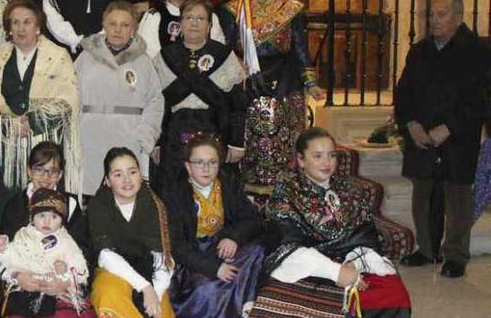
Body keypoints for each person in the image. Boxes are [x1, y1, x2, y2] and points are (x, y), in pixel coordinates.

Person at [260, 128, 411, 318]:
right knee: (279, 298)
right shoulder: (286, 192)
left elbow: (367, 237)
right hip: (306, 267)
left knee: (393, 293)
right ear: (300, 160)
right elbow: (286, 245)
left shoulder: (350, 190)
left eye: (332, 155)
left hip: (352, 262)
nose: (326, 163)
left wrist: (353, 266)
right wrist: (335, 272)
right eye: (317, 156)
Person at [395, 0, 491, 277]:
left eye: (442, 14)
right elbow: (404, 91)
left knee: (457, 195)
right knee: (422, 191)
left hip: (458, 135)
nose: (434, 20)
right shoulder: (419, 50)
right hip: (421, 133)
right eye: (432, 15)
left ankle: (456, 255)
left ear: (459, 17)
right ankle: (426, 249)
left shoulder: (477, 51)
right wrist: (410, 123)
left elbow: (481, 98)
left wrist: (449, 127)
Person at [218, 0, 323, 193]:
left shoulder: (291, 9)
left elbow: (300, 48)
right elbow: (226, 48)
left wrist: (311, 82)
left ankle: (284, 194)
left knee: (282, 140)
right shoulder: (234, 9)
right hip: (247, 81)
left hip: (283, 81)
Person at [0, 0, 81, 226]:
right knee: (5, 205)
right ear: (8, 27)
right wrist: (7, 123)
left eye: (27, 22)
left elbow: (68, 100)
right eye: (15, 22)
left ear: (38, 25)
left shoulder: (58, 56)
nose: (21, 28)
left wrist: (34, 121)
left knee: (47, 206)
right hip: (6, 144)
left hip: (45, 142)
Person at [162, 137, 264, 317]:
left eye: (212, 162)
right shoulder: (174, 194)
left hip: (222, 246)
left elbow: (252, 219)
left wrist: (233, 237)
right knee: (208, 290)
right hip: (193, 257)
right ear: (188, 166)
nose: (206, 168)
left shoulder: (228, 183)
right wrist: (214, 268)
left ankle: (242, 304)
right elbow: (176, 245)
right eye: (199, 162)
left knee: (258, 250)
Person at [153, 0, 246, 185]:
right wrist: (155, 142)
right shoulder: (165, 56)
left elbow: (238, 104)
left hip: (216, 132)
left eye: (200, 19)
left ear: (210, 24)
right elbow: (156, 105)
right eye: (188, 18)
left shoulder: (224, 55)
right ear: (180, 23)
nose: (194, 23)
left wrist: (236, 143)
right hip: (174, 137)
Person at [75, 1, 163, 195]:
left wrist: (145, 137)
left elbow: (155, 102)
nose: (118, 30)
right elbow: (71, 96)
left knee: (124, 195)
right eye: (112, 24)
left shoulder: (143, 62)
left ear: (133, 29)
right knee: (89, 197)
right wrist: (74, 135)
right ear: (104, 25)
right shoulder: (86, 58)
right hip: (89, 138)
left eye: (125, 25)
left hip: (128, 138)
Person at [87, 148, 175, 318]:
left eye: (132, 172)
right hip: (111, 270)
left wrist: (154, 294)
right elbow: (105, 255)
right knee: (108, 294)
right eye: (118, 174)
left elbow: (163, 257)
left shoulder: (155, 205)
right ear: (107, 180)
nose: (127, 180)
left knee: (160, 311)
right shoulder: (99, 205)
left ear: (140, 175)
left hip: (151, 272)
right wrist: (144, 287)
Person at [0, 188, 95, 318]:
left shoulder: (66, 241)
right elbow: (11, 260)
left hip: (58, 291)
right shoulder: (23, 236)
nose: (47, 221)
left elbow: (81, 267)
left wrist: (65, 273)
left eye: (54, 216)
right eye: (41, 216)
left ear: (61, 221)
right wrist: (3, 250)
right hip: (26, 288)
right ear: (32, 218)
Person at [0, 142, 89, 250]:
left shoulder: (70, 204)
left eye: (53, 171)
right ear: (29, 171)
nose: (46, 176)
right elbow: (7, 248)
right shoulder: (15, 205)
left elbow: (82, 247)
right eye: (39, 169)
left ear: (60, 175)